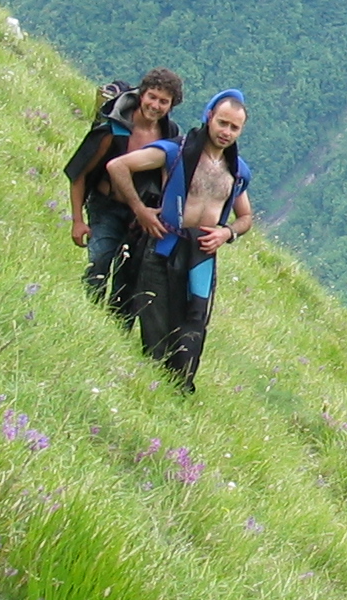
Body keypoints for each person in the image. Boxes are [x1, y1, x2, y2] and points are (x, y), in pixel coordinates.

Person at [107, 89, 253, 392]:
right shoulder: (176, 152)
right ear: (210, 117)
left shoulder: (237, 172)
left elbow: (246, 217)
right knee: (156, 329)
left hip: (201, 257)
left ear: (241, 130)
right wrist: (141, 210)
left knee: (192, 330)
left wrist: (227, 233)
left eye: (234, 127)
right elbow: (118, 166)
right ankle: (151, 389)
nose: (226, 132)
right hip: (163, 247)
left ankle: (178, 390)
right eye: (222, 123)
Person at [63, 68, 183, 315]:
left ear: (172, 105)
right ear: (141, 95)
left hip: (141, 218)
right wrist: (77, 220)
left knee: (128, 279)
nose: (155, 105)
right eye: (152, 97)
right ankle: (88, 316)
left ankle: (116, 328)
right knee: (99, 263)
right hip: (106, 207)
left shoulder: (170, 138)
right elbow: (79, 174)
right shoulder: (113, 130)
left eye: (164, 101)